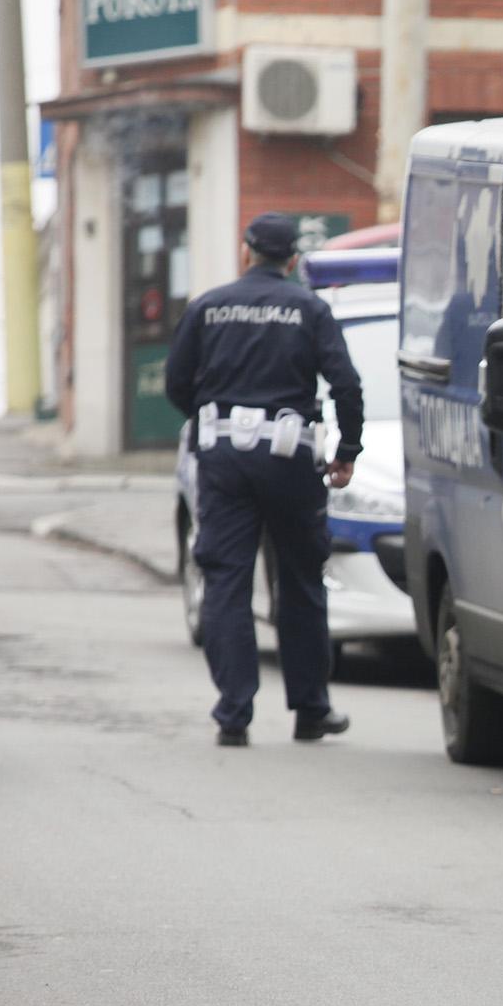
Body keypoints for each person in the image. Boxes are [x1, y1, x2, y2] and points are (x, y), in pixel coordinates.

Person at [165, 212, 363, 747]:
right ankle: (310, 710)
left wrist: (211, 423)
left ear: (246, 251)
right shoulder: (310, 308)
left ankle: (234, 715)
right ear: (292, 259)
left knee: (226, 582)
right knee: (299, 581)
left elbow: (176, 383)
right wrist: (347, 451)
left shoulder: (208, 306)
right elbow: (346, 383)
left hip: (224, 462)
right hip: (290, 459)